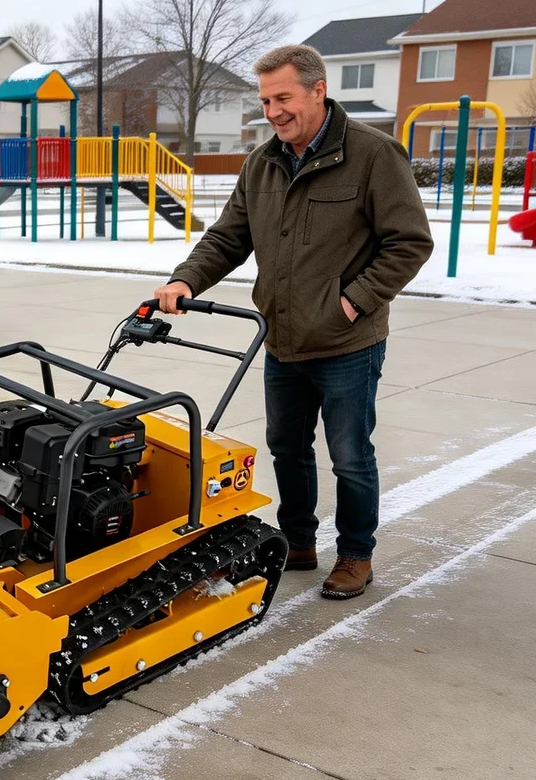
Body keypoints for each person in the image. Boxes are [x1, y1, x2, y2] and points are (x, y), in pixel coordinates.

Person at [154, 44, 433, 599]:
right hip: (282, 338)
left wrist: (352, 301)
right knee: (287, 446)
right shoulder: (263, 161)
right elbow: (229, 236)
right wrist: (186, 279)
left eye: (283, 97)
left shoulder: (374, 155)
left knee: (351, 455)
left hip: (346, 340)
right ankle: (299, 541)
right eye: (265, 100)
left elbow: (410, 242)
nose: (273, 111)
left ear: (317, 90)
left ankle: (355, 554)